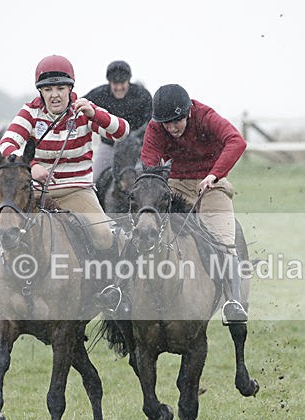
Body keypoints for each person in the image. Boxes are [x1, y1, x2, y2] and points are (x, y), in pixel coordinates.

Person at [0, 54, 130, 326]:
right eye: (48, 90)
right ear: (40, 92)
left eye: (60, 89)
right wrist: (31, 168)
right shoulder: (29, 112)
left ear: (70, 89)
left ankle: (109, 292)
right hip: (35, 195)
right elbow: (8, 145)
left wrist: (97, 114)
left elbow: (122, 132)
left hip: (77, 190)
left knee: (105, 236)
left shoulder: (84, 110)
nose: (54, 95)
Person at [99, 83, 249, 324]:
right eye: (166, 123)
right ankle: (117, 289)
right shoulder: (156, 127)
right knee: (143, 232)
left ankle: (232, 301)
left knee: (223, 242)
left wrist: (214, 174)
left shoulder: (206, 116)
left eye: (176, 121)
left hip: (212, 185)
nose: (172, 127)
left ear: (188, 112)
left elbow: (236, 142)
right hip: (175, 185)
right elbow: (149, 165)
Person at [83, 60, 152, 181]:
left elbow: (152, 122)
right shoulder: (99, 94)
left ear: (128, 81)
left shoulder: (142, 96)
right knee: (94, 179)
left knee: (152, 177)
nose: (119, 87)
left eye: (122, 83)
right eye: (115, 83)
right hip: (109, 145)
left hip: (137, 146)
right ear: (109, 82)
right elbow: (79, 106)